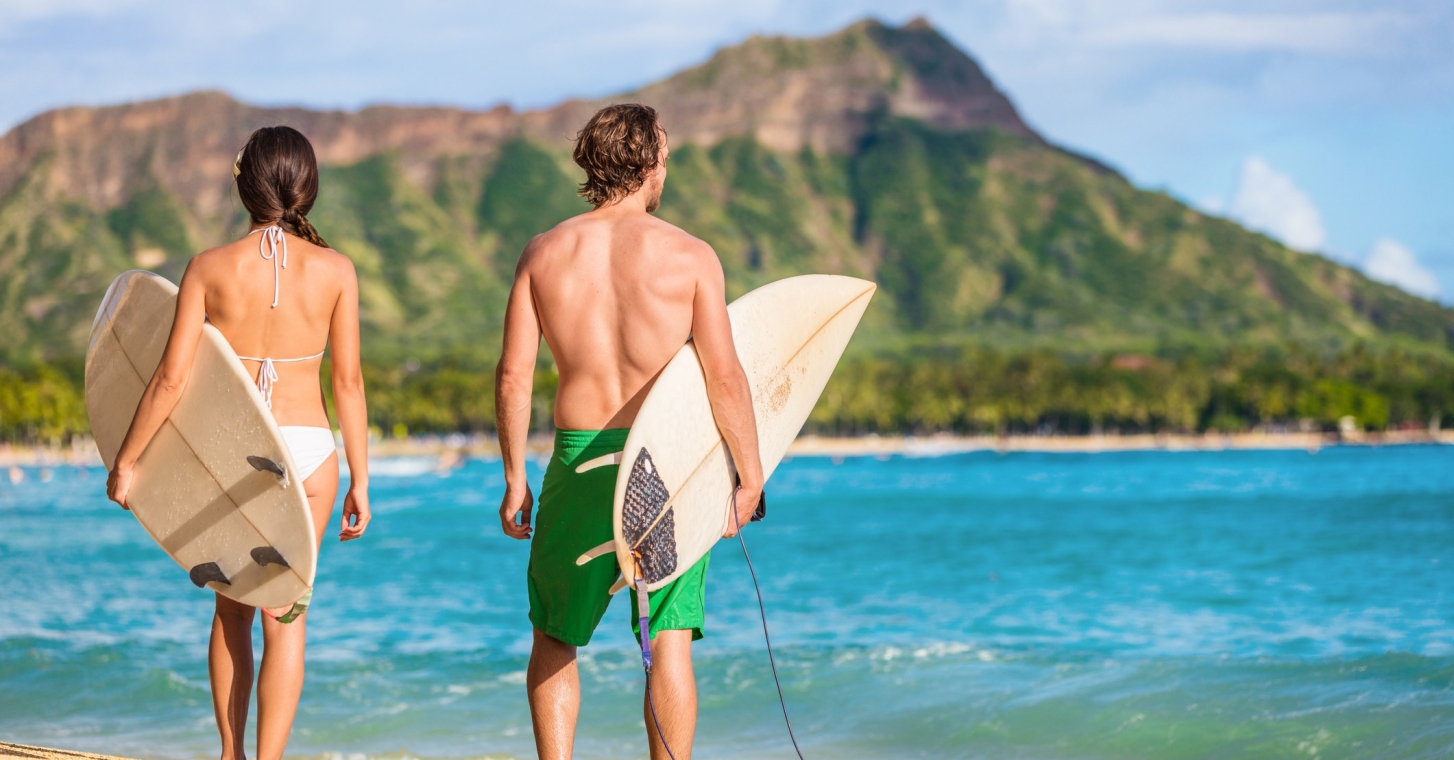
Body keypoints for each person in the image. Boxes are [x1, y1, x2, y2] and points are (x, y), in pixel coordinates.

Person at [495, 103, 764, 760]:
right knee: (668, 636)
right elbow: (724, 377)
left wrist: (512, 478)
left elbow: (513, 375)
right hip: (665, 466)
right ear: (647, 164)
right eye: (665, 157)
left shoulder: (544, 252)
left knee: (556, 635)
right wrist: (749, 475)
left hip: (580, 461)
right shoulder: (691, 256)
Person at [105, 126, 372, 760]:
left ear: (242, 183)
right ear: (309, 188)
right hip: (311, 457)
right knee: (289, 619)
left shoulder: (207, 267)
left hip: (235, 455)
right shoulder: (337, 271)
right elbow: (349, 382)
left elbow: (171, 379)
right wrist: (361, 477)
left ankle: (231, 754)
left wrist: (128, 460)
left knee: (233, 613)